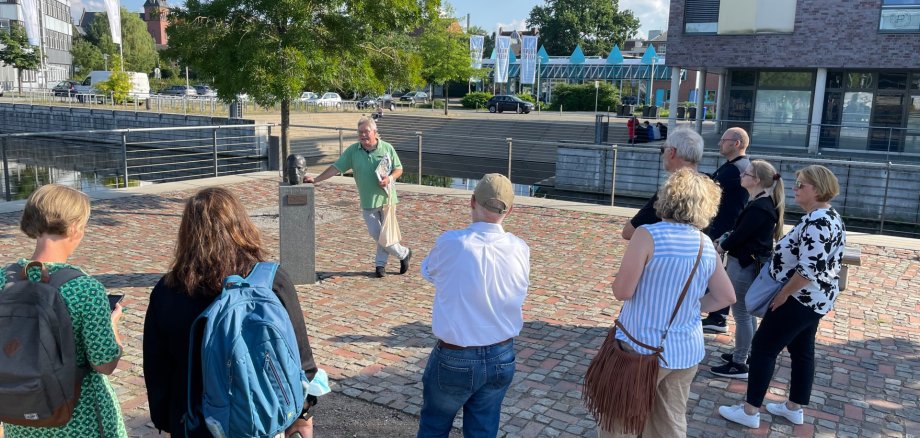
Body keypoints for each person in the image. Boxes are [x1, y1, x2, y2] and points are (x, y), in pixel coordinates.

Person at [144, 187, 320, 438]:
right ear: (241, 226)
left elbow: (157, 367)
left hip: (194, 420)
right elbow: (300, 356)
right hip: (261, 417)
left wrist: (167, 419)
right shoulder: (270, 280)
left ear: (187, 234)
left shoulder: (169, 289)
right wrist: (303, 414)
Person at [599, 169, 736, 437]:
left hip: (640, 345)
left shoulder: (647, 235)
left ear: (667, 198)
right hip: (686, 350)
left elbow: (622, 291)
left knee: (619, 422)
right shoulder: (704, 244)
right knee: (669, 424)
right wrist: (693, 306)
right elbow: (726, 296)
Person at [719, 165, 846, 429]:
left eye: (801, 185)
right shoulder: (828, 216)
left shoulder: (818, 222)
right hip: (814, 299)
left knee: (764, 348)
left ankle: (750, 410)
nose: (795, 188)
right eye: (796, 183)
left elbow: (808, 270)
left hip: (799, 298)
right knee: (802, 350)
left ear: (818, 190)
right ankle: (793, 407)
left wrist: (783, 295)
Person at [1, 184, 127, 438]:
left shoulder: (3, 279)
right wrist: (113, 328)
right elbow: (104, 363)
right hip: (78, 419)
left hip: (20, 415)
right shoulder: (84, 289)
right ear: (74, 227)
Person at [417, 173, 530, 438]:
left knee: (434, 424)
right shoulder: (520, 248)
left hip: (455, 354)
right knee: (483, 428)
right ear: (510, 210)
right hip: (501, 353)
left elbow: (429, 272)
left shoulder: (452, 242)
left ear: (472, 200)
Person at [304, 116, 412, 278]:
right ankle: (403, 253)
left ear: (375, 132)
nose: (362, 135)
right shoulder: (353, 151)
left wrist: (390, 178)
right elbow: (335, 168)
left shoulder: (387, 148)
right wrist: (316, 179)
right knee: (376, 233)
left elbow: (399, 169)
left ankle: (380, 265)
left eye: (366, 132)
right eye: (360, 132)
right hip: (368, 201)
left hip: (387, 199)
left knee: (385, 234)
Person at [709, 160, 785, 379]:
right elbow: (739, 231)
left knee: (741, 313)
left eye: (747, 173)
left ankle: (739, 362)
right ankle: (746, 352)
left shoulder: (761, 207)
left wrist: (721, 246)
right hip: (744, 262)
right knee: (745, 312)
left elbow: (741, 235)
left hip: (744, 264)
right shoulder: (760, 202)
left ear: (757, 180)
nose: (742, 175)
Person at [702, 127, 752, 334]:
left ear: (737, 143)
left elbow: (711, 187)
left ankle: (718, 315)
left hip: (723, 227)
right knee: (713, 268)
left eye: (724, 140)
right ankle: (717, 314)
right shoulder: (736, 166)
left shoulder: (737, 168)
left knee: (712, 269)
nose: (719, 143)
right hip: (724, 225)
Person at [621, 127, 704, 240]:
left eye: (662, 149)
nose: (662, 154)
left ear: (672, 152)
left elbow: (629, 232)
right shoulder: (711, 186)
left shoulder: (672, 190)